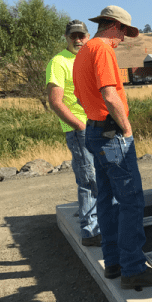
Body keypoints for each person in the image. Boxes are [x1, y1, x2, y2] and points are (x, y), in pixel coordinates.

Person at [73, 5, 152, 290]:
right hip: (111, 134)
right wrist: (126, 129)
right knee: (131, 200)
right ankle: (133, 269)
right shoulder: (103, 50)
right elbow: (109, 93)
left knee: (107, 197)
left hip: (94, 130)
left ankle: (114, 262)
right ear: (114, 26)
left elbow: (82, 96)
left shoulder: (83, 51)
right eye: (124, 32)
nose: (124, 39)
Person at [46, 20, 101, 247]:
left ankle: (100, 223)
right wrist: (79, 126)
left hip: (97, 126)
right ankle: (90, 231)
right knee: (89, 179)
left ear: (87, 36)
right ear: (66, 38)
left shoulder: (88, 58)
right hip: (80, 130)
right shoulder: (59, 62)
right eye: (73, 36)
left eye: (81, 35)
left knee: (101, 178)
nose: (78, 40)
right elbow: (56, 102)